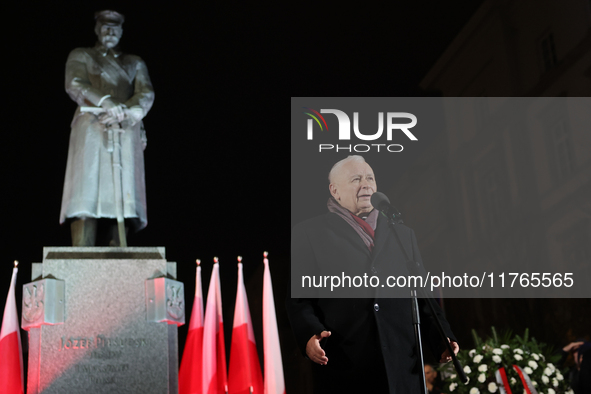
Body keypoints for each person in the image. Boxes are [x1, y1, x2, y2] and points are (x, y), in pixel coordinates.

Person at [286, 155, 459, 393]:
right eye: (356, 179)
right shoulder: (310, 233)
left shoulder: (402, 234)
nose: (366, 184)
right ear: (334, 190)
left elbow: (422, 294)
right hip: (347, 364)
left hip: (404, 363)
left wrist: (442, 337)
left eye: (370, 178)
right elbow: (299, 298)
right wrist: (309, 335)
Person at [60, 10, 155, 246]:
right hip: (92, 124)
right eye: (105, 26)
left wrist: (131, 111)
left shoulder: (134, 62)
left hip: (125, 127)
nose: (110, 31)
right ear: (97, 29)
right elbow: (74, 82)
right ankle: (82, 245)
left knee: (123, 192)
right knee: (86, 190)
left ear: (121, 31)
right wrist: (104, 101)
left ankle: (118, 244)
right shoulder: (81, 54)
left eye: (115, 27)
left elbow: (146, 92)